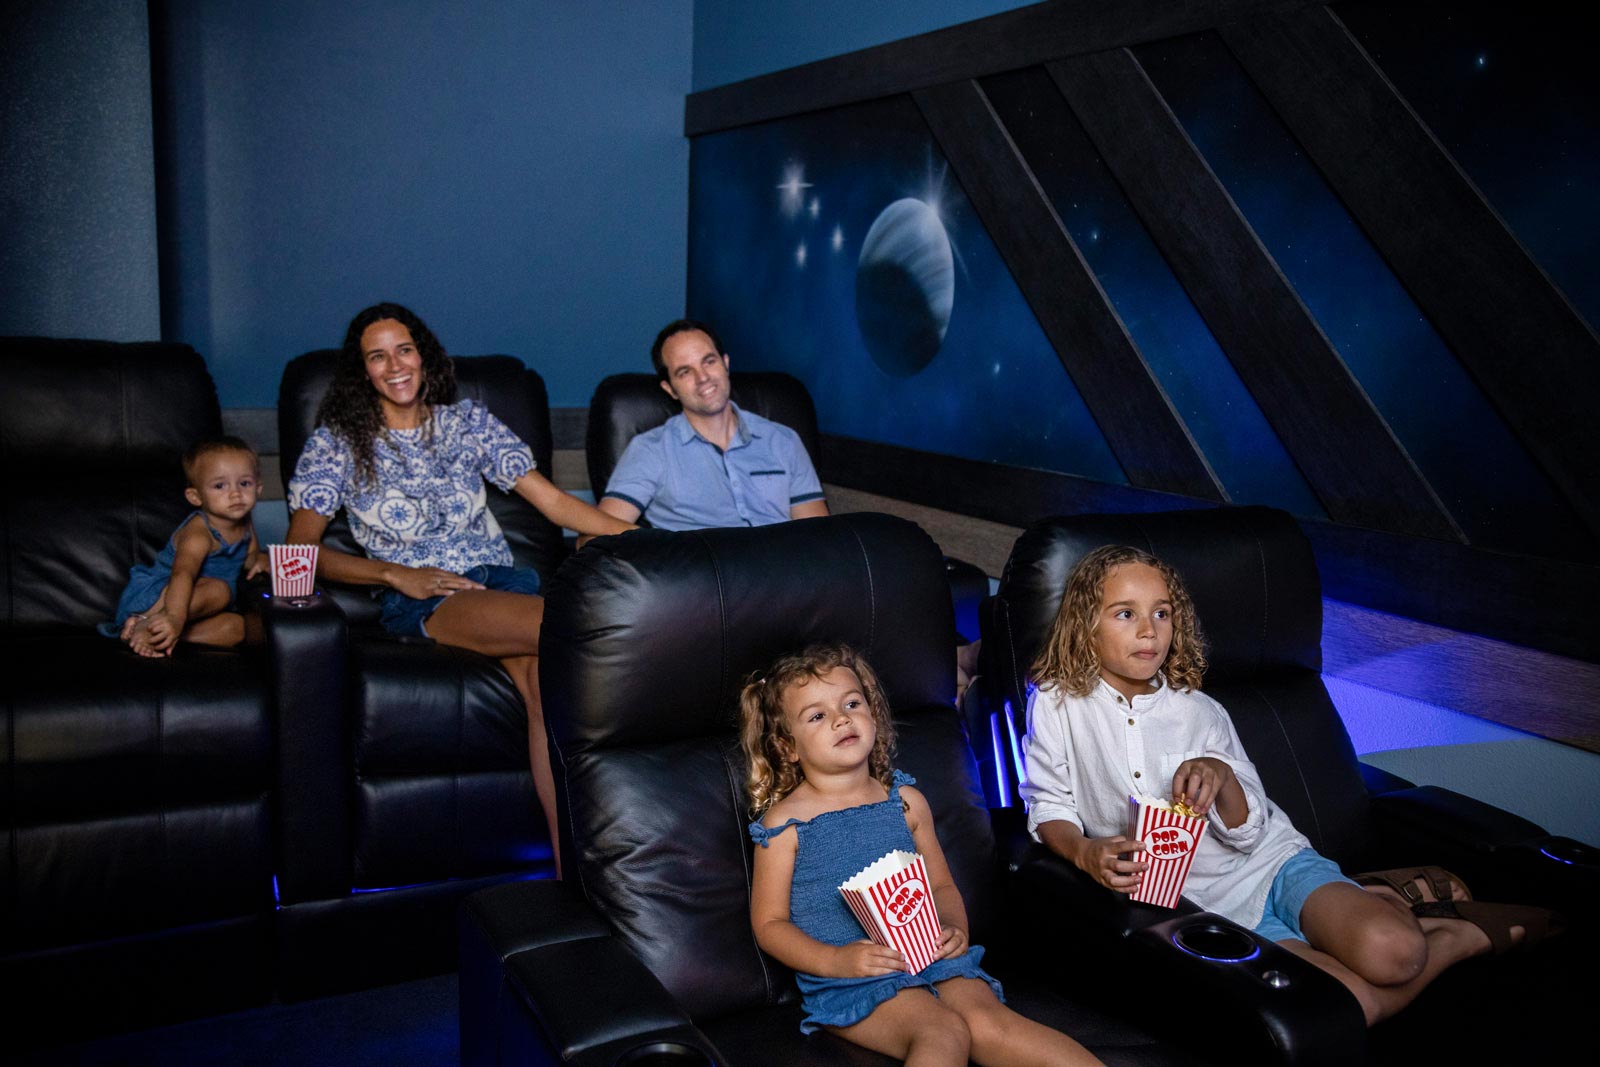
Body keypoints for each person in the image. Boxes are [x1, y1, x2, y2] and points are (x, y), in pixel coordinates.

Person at [1021, 545, 1563, 1026]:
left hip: (1273, 863)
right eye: (1126, 614)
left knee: (1397, 955)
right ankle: (1457, 937)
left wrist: (1224, 778)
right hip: (1212, 907)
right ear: (1084, 624)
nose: (1149, 630)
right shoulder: (1057, 703)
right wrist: (1086, 851)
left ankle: (1378, 909)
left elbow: (1251, 828)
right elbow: (1048, 803)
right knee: (1347, 1004)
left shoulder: (1199, 712)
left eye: (1162, 613)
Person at [285, 302, 634, 874]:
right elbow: (297, 554)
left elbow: (554, 503)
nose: (395, 365)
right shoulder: (339, 442)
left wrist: (657, 538)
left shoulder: (466, 422)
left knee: (548, 686)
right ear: (362, 371)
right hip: (424, 597)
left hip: (501, 581)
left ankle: (576, 874)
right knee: (574, 628)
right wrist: (395, 573)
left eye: (404, 349)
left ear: (423, 356)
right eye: (378, 356)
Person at [743, 644, 1101, 1065]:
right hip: (854, 977)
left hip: (930, 955)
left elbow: (940, 884)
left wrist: (953, 927)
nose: (842, 718)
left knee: (991, 1024)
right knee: (942, 1031)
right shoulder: (784, 826)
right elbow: (769, 924)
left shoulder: (907, 801)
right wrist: (836, 960)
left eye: (852, 703)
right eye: (818, 716)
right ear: (788, 748)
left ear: (872, 715)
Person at [595, 319, 829, 530]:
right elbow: (597, 537)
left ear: (725, 363)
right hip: (703, 573)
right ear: (670, 389)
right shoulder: (651, 450)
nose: (703, 377)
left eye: (708, 361)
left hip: (782, 569)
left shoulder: (783, 440)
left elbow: (817, 537)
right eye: (685, 372)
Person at [101, 435, 265, 657]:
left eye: (244, 483)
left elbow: (250, 558)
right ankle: (148, 622)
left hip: (197, 610)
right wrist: (173, 617)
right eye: (219, 486)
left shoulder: (245, 522)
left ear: (258, 488)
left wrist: (262, 561)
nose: (235, 493)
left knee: (237, 628)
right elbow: (182, 575)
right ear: (195, 496)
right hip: (163, 596)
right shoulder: (199, 533)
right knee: (221, 590)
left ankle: (154, 637)